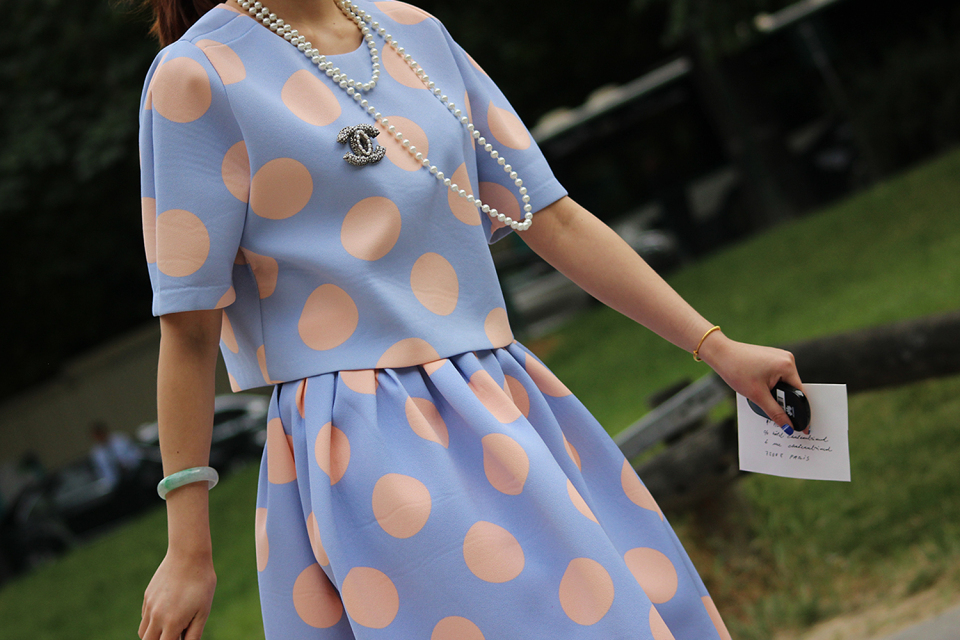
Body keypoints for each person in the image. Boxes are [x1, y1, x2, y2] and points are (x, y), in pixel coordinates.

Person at [135, 1, 804, 639]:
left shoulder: (413, 32)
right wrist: (188, 549)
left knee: (621, 614)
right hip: (363, 441)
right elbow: (189, 328)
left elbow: (554, 217)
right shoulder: (197, 75)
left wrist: (716, 347)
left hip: (505, 401)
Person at [89, 421, 143, 490]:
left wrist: (128, 464)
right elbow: (102, 470)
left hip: (134, 472)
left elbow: (135, 453)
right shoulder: (96, 453)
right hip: (117, 482)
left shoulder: (120, 439)